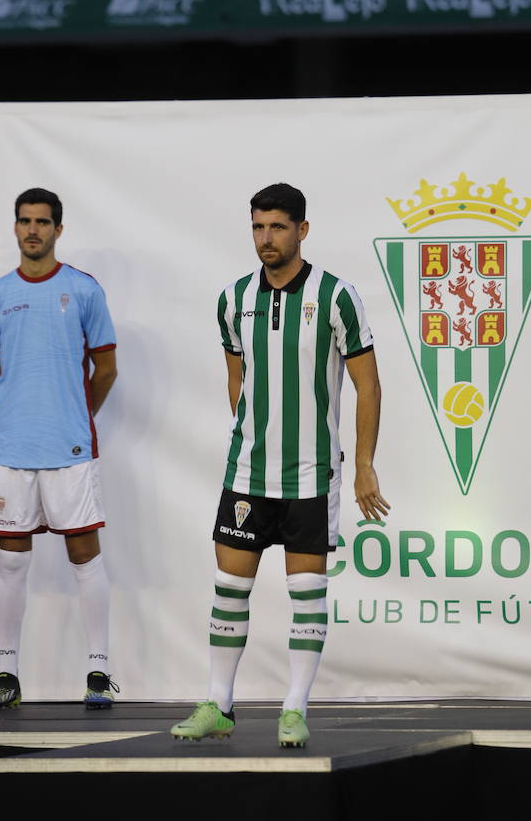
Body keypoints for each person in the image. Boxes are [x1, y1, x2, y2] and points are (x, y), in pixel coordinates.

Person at [172, 182, 388, 748]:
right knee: (227, 587)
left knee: (308, 590)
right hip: (247, 472)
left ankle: (294, 708)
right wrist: (250, 433)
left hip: (313, 473)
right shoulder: (233, 297)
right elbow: (235, 375)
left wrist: (363, 464)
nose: (265, 239)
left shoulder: (337, 296)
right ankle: (219, 704)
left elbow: (368, 385)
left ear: (302, 231)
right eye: (257, 228)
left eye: (277, 227)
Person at [0, 188, 118, 709]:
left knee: (84, 554)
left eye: (43, 222)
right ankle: (6, 677)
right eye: (25, 221)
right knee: (12, 561)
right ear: (14, 228)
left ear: (59, 228)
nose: (33, 230)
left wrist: (72, 414)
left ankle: (98, 674)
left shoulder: (83, 291)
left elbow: (107, 368)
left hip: (69, 447)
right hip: (11, 449)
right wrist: (15, 409)